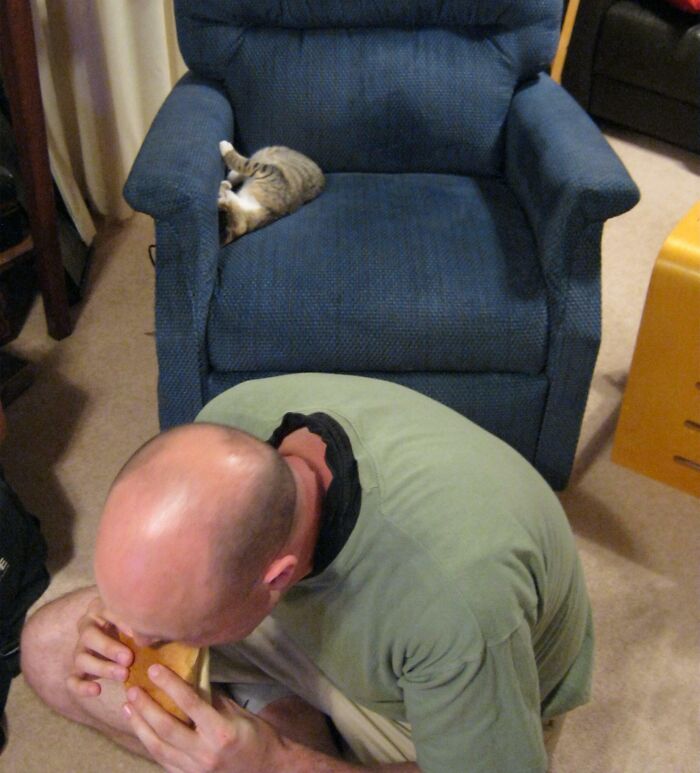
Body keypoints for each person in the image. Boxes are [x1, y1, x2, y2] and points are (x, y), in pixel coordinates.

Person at [20, 374, 593, 772]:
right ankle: (285, 715)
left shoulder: (453, 605)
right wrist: (115, 611)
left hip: (441, 698)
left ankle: (291, 735)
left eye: (166, 631)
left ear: (275, 579)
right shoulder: (230, 425)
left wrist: (279, 764)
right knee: (49, 648)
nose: (135, 642)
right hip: (307, 624)